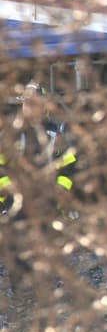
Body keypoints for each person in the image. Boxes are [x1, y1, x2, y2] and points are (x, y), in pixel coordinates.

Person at [0, 81, 77, 287]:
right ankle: (20, 289)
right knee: (17, 251)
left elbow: (68, 165)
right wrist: (8, 195)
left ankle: (44, 289)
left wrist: (61, 189)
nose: (29, 108)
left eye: (34, 104)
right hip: (17, 203)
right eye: (26, 104)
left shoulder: (56, 134)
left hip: (47, 202)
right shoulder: (11, 134)